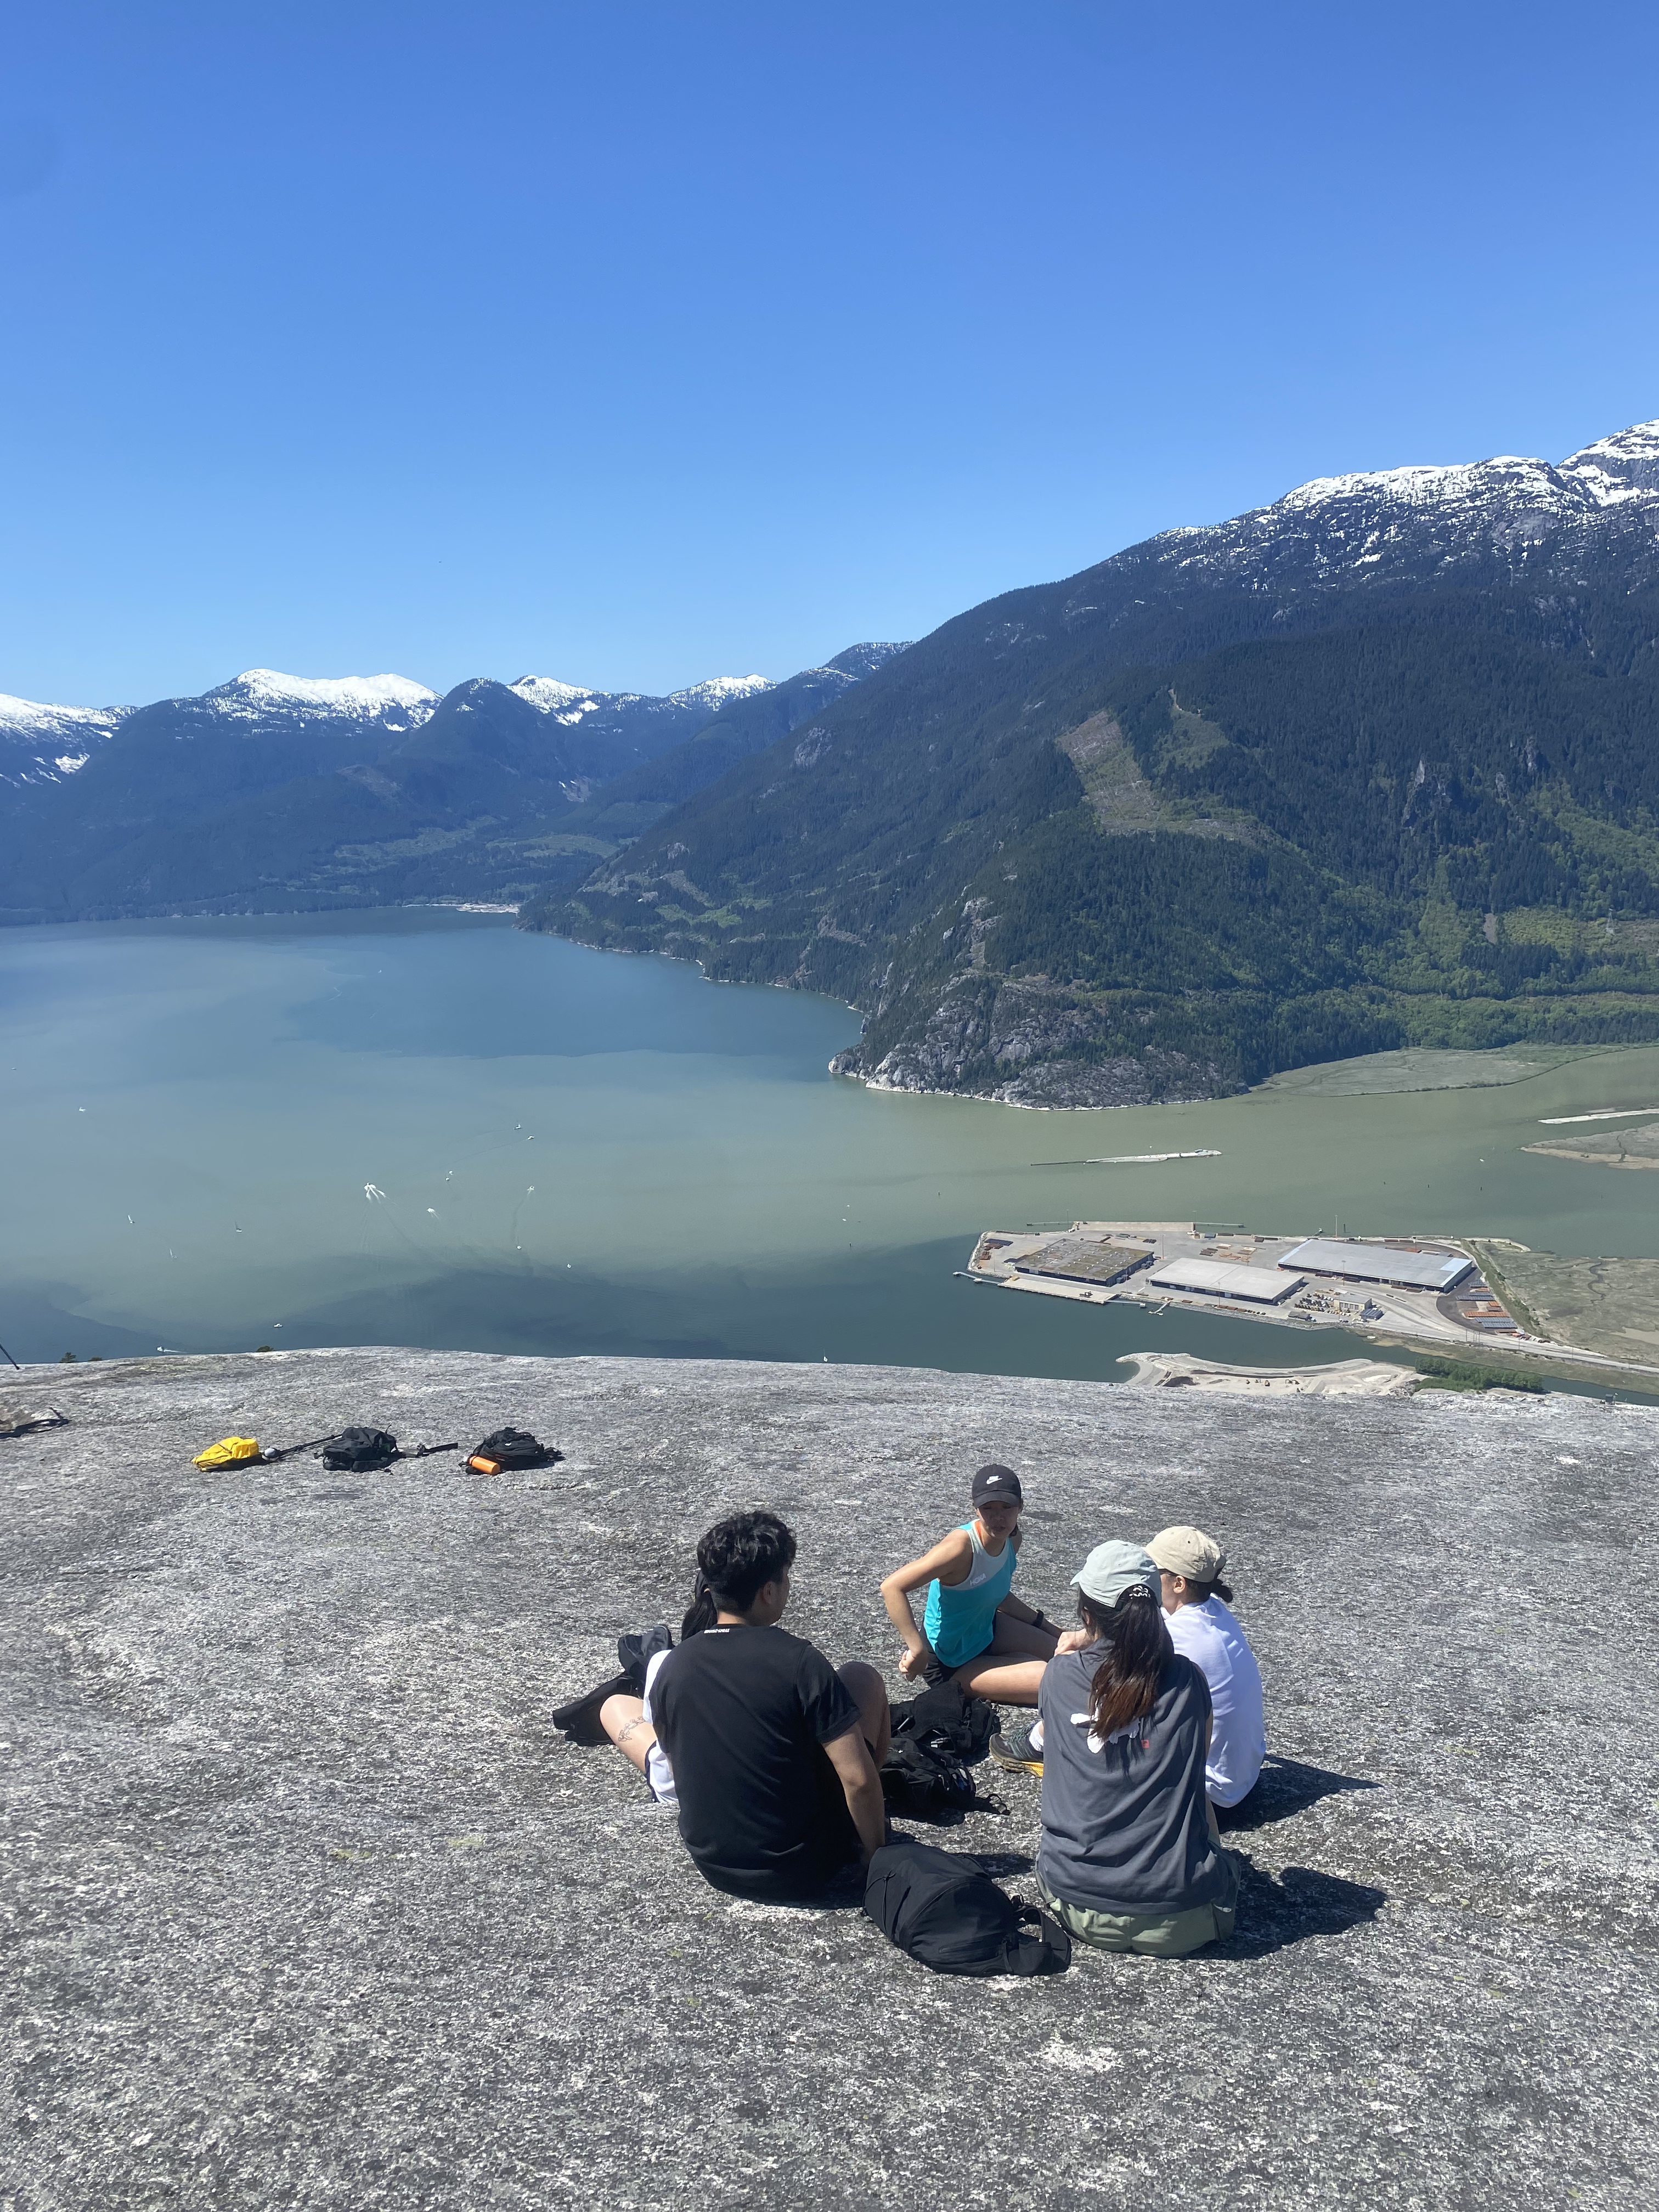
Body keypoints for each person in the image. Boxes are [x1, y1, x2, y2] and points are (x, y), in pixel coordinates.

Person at [648, 1509, 891, 1900]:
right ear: (768, 1591)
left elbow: (680, 1766)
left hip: (714, 1864)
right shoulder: (799, 1662)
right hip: (799, 1867)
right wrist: (876, 1857)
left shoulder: (674, 1664)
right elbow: (858, 1780)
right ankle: (863, 1832)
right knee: (862, 1678)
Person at [1035, 1539, 1238, 1956]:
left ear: (1087, 1613)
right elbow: (1196, 1780)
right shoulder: (1189, 1682)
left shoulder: (1058, 1676)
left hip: (1077, 1903)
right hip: (1183, 1918)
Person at [880, 1464, 1060, 1707]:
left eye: (1007, 1507)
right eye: (988, 1508)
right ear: (976, 1508)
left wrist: (1049, 1628)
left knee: (1067, 1655)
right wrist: (917, 1651)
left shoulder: (1012, 1540)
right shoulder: (960, 1548)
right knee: (1054, 1680)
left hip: (986, 1630)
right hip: (950, 1662)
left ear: (1021, 1506)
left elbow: (995, 1594)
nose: (998, 1517)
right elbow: (892, 1587)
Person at [1146, 1524, 1266, 1817]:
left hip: (1205, 1798)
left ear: (1178, 1584)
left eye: (1151, 1570)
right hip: (1239, 1782)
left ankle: (1038, 1742)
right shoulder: (1213, 1612)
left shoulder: (1180, 1636)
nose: (1144, 1577)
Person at [598, 1576, 720, 1805]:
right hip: (760, 1792)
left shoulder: (667, 1663)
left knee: (614, 1705)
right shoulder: (784, 1662)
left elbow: (670, 1749)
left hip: (681, 1792)